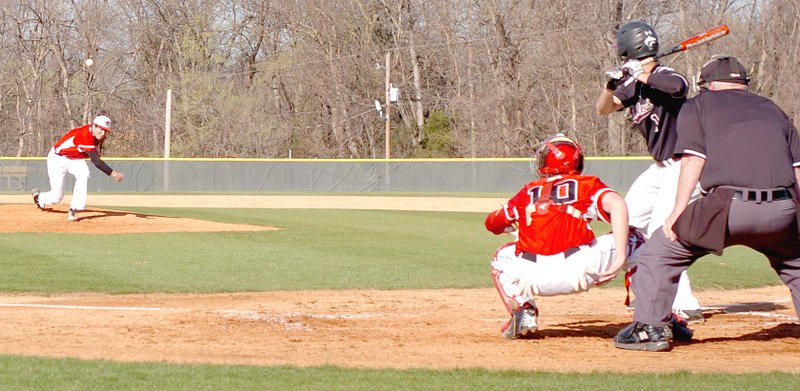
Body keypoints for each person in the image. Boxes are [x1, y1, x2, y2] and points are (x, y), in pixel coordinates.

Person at [613, 56, 800, 352]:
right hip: (782, 208)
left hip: (726, 209)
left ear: (708, 84)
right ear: (744, 84)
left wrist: (677, 212)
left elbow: (693, 160)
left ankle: (650, 329)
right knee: (796, 262)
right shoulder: (772, 109)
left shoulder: (698, 106)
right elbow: (797, 169)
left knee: (658, 252)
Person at [485, 134, 651, 339]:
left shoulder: (527, 191)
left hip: (533, 278)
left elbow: (492, 223)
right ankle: (652, 316)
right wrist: (618, 258)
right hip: (582, 271)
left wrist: (507, 224)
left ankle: (524, 311)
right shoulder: (586, 184)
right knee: (637, 239)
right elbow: (617, 204)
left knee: (501, 257)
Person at [595, 20, 703, 322]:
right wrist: (611, 84)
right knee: (627, 218)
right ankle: (641, 280)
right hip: (660, 168)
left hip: (683, 166)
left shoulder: (663, 74)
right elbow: (603, 109)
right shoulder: (632, 83)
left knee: (662, 232)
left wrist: (641, 72)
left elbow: (678, 87)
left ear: (629, 47)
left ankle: (683, 301)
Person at [32, 115, 125, 221]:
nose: (103, 133)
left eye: (105, 131)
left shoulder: (97, 136)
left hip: (75, 158)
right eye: (101, 129)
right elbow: (96, 162)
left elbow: (94, 153)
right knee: (57, 197)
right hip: (57, 158)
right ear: (94, 126)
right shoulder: (84, 135)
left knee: (84, 173)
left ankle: (74, 208)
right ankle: (38, 198)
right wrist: (114, 174)